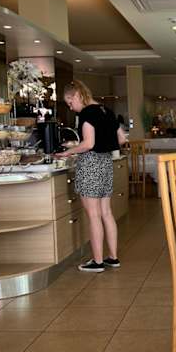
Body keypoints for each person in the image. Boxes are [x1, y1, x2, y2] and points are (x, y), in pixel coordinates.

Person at [59, 80, 120, 273]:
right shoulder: (107, 111)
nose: (71, 107)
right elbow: (121, 138)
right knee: (106, 213)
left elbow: (88, 144)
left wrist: (67, 152)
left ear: (77, 95)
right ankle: (113, 258)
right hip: (106, 163)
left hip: (90, 164)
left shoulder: (86, 113)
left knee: (93, 215)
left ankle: (98, 261)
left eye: (70, 102)